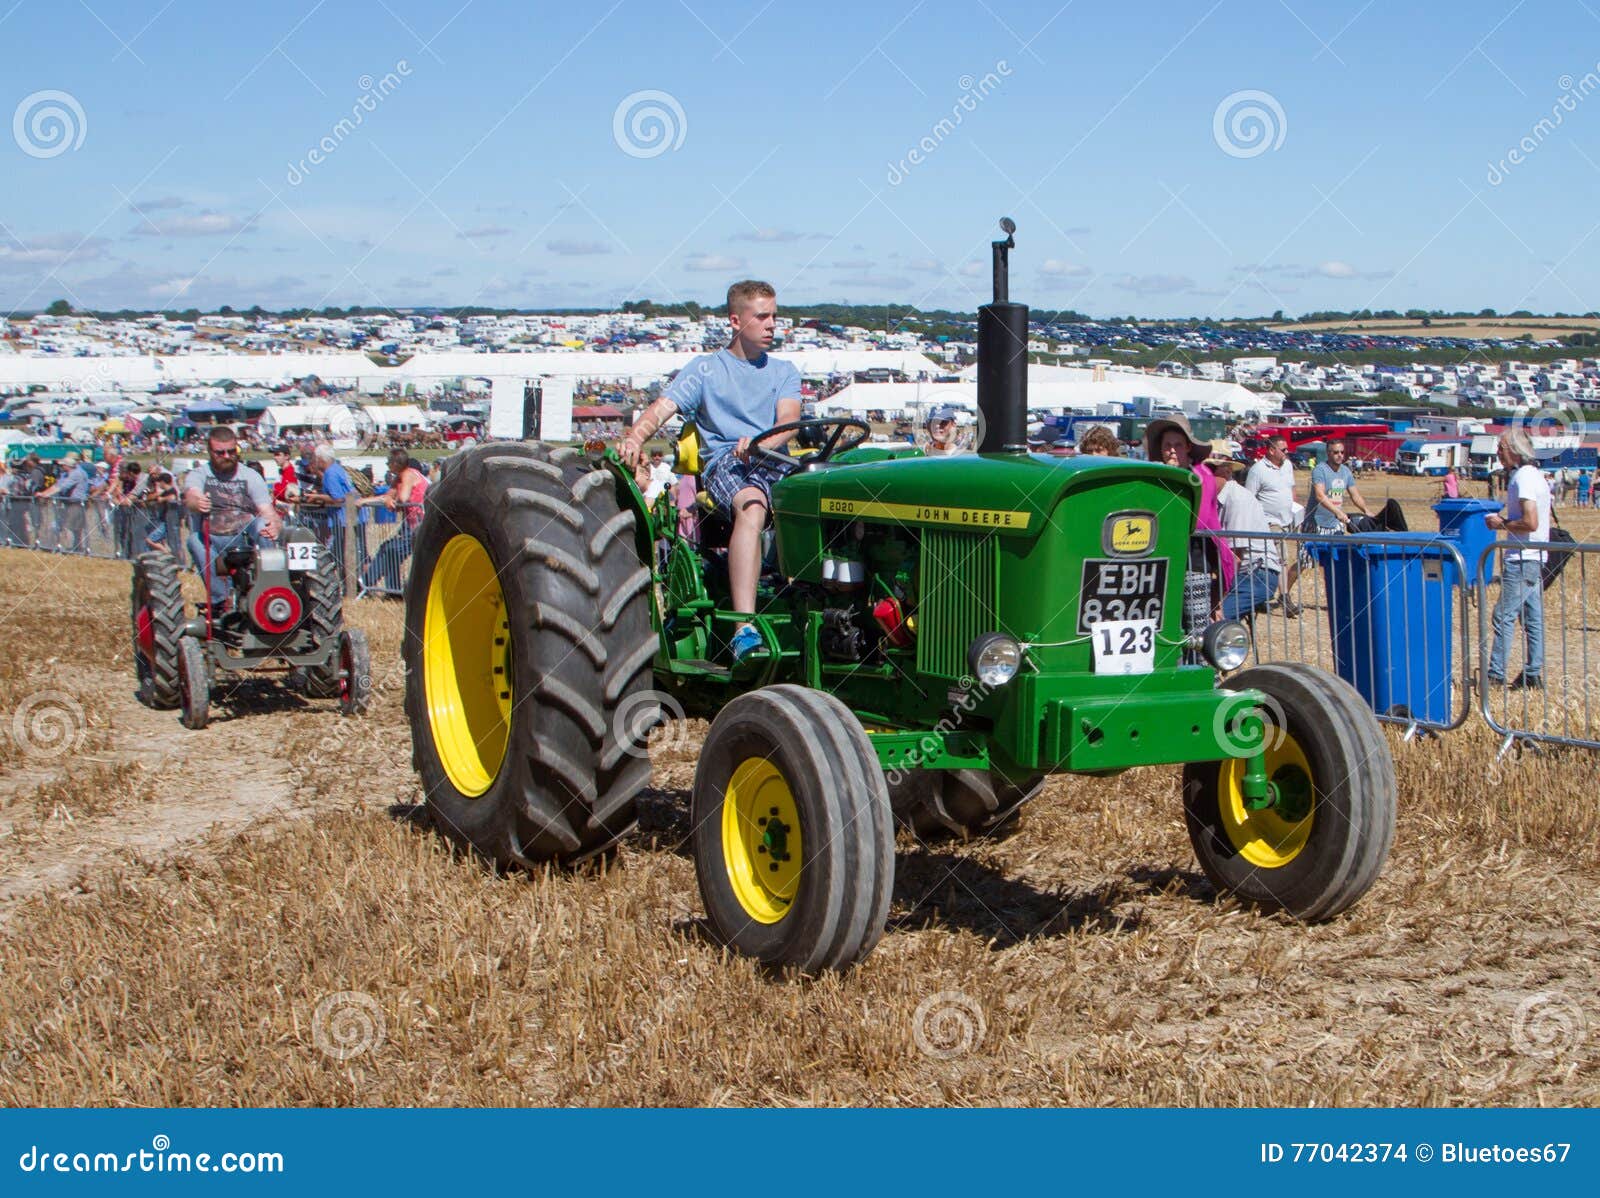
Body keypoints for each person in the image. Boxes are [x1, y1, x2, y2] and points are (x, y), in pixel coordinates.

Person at [617, 279, 802, 662]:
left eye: (774, 317)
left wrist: (760, 445)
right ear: (736, 321)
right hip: (726, 463)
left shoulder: (784, 370)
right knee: (751, 504)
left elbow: (789, 423)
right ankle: (744, 629)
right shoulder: (705, 370)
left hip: (771, 459)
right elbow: (661, 410)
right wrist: (635, 437)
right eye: (762, 317)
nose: (772, 325)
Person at [183, 426, 281, 607]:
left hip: (245, 537)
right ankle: (220, 600)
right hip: (212, 540)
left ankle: (272, 590)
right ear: (210, 451)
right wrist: (197, 502)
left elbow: (267, 511)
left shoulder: (250, 476)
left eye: (231, 451)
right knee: (194, 540)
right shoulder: (199, 475)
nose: (227, 456)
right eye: (220, 453)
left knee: (262, 524)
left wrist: (274, 524)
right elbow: (191, 495)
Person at [1485, 429, 1551, 690]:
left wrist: (1500, 523)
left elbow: (1530, 522)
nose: (1498, 454)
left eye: (1501, 448)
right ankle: (1532, 673)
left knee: (1503, 615)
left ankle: (1496, 674)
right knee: (1532, 617)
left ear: (1514, 450)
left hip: (1523, 557)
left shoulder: (1522, 478)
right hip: (1534, 556)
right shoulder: (1535, 475)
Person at [1145, 414, 1234, 597]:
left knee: (1196, 620)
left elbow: (1198, 521)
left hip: (1195, 559)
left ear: (1188, 447)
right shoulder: (1156, 477)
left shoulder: (1201, 476)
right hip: (1159, 558)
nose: (1172, 450)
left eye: (1177, 445)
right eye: (1167, 445)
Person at [1213, 459, 1281, 623]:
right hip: (1241, 574)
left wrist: (1219, 601)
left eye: (1209, 470)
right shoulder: (1216, 498)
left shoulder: (1238, 499)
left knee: (1210, 618)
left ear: (1227, 471)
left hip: (1257, 574)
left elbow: (1235, 557)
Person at [1244, 433, 1303, 616]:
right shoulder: (1258, 470)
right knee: (1281, 559)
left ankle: (1259, 598)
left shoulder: (1287, 466)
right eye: (1283, 449)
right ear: (1271, 450)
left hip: (1287, 520)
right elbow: (1248, 497)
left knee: (1268, 563)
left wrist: (1296, 513)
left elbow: (1291, 490)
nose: (1287, 452)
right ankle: (1285, 598)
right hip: (1269, 523)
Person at [360, 449, 429, 594]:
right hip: (411, 525)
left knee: (391, 549)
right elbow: (386, 497)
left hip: (422, 525)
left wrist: (393, 500)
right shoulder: (398, 478)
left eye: (388, 463)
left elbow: (403, 498)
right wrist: (365, 500)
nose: (387, 465)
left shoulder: (408, 475)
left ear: (395, 464)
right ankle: (386, 588)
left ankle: (368, 584)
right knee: (388, 549)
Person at [1311, 438, 1406, 533]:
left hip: (1335, 523)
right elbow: (1320, 495)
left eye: (1342, 452)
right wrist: (1338, 512)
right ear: (1328, 453)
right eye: (1336, 452)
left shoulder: (1346, 471)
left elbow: (1355, 496)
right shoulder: (1320, 470)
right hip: (1318, 523)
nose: (1340, 455)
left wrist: (1366, 510)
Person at [302, 443, 355, 577]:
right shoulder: (337, 468)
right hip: (348, 517)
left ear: (321, 459)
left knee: (335, 555)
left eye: (316, 458)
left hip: (342, 519)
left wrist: (316, 496)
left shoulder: (330, 473)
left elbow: (337, 498)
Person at [37, 451, 91, 553]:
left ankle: (73, 548)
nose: (61, 466)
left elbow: (61, 487)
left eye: (63, 464)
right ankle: (70, 547)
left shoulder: (77, 473)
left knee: (71, 527)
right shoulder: (66, 474)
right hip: (68, 504)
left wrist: (45, 494)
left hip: (76, 504)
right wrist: (43, 493)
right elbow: (57, 485)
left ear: (68, 464)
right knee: (66, 526)